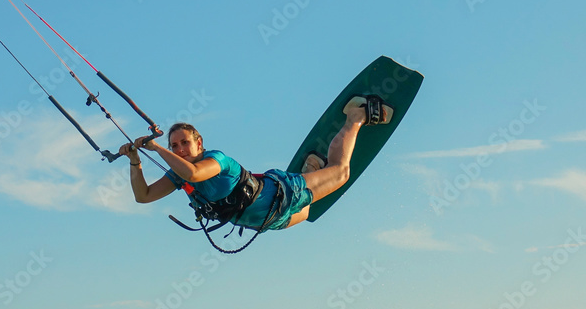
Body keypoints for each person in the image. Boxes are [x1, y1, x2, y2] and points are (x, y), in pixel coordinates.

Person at [118, 95, 393, 234]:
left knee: (341, 173)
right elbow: (143, 196)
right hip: (269, 222)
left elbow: (194, 172)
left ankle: (355, 116)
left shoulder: (216, 160)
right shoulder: (179, 176)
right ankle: (311, 170)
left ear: (199, 143)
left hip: (283, 194)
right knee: (307, 214)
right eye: (173, 146)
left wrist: (154, 147)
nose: (179, 150)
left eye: (184, 143)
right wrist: (135, 160)